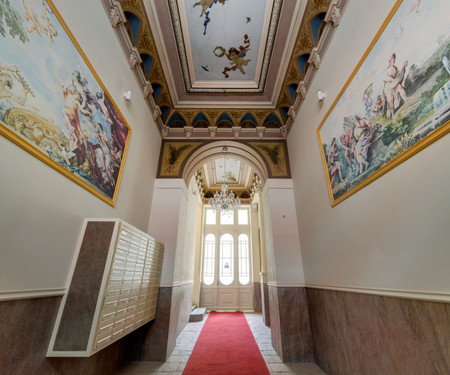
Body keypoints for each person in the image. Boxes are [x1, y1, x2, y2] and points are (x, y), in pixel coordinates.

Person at [382, 53, 408, 119]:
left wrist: (404, 67)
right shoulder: (387, 69)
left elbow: (399, 76)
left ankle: (406, 100)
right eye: (391, 58)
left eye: (393, 58)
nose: (392, 59)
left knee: (400, 88)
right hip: (388, 86)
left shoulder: (396, 68)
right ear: (389, 60)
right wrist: (392, 79)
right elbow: (384, 77)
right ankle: (392, 115)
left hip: (395, 83)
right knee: (391, 100)